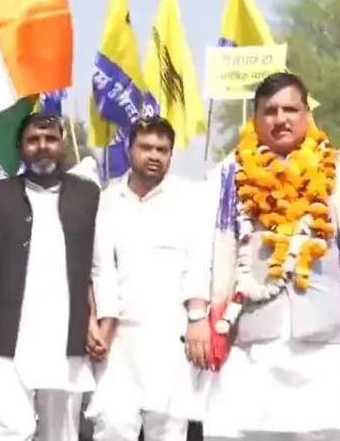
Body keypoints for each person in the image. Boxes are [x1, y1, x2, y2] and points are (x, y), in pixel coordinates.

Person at [200, 72, 340, 441]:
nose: (281, 119)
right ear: (255, 117)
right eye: (270, 111)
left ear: (306, 113)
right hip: (251, 340)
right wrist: (198, 315)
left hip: (325, 344)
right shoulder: (228, 174)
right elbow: (203, 249)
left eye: (290, 109)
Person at [0, 113, 103, 441]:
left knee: (60, 432)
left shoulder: (88, 195)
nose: (42, 147)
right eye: (33, 140)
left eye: (50, 140)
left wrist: (103, 319)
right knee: (12, 429)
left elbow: (100, 266)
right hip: (6, 331)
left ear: (62, 145)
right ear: (20, 148)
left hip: (66, 331)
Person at [87, 116, 203, 441]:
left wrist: (197, 319)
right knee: (113, 425)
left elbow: (198, 264)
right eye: (146, 147)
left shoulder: (189, 199)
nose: (154, 155)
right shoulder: (107, 200)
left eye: (162, 150)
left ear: (171, 154)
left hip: (171, 336)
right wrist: (100, 325)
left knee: (167, 428)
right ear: (129, 148)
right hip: (118, 339)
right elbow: (100, 269)